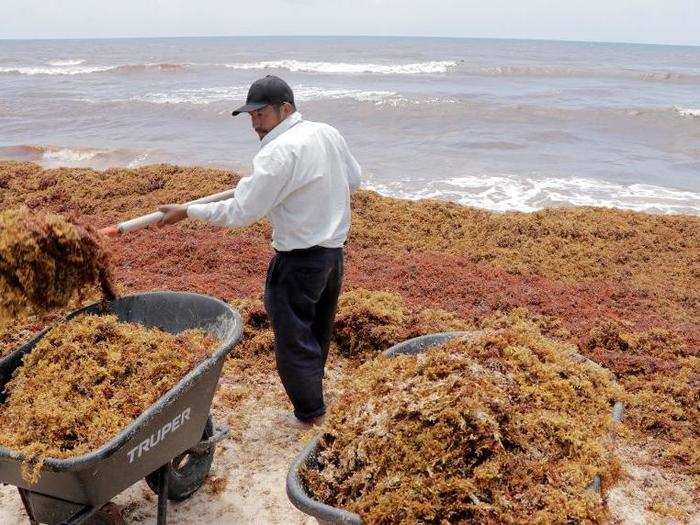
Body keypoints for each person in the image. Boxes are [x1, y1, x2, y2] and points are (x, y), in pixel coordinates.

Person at [158, 75, 361, 423]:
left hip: (298, 261)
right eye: (250, 116)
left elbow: (241, 212)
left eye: (261, 115)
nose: (255, 124)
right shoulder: (326, 132)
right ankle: (314, 395)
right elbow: (353, 180)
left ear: (286, 108)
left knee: (292, 340)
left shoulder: (277, 153)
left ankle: (310, 413)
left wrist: (188, 211)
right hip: (332, 256)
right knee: (316, 330)